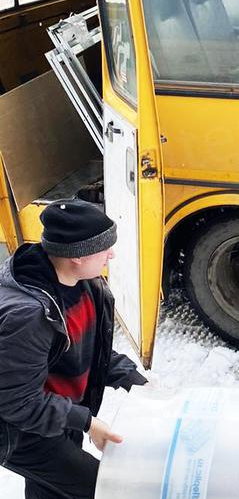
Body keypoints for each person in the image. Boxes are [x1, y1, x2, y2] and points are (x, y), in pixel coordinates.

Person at [0, 200, 147, 498]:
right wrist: (88, 423)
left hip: (57, 411)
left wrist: (134, 379)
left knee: (52, 491)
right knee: (103, 489)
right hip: (19, 432)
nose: (112, 254)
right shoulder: (28, 316)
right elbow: (18, 403)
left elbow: (85, 349)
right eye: (105, 248)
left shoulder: (85, 283)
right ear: (77, 256)